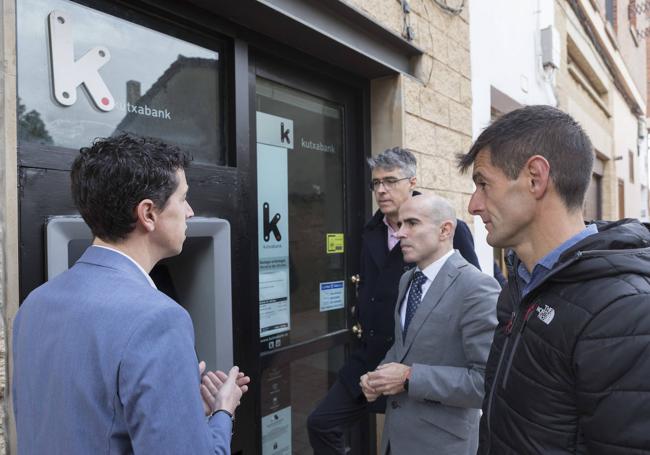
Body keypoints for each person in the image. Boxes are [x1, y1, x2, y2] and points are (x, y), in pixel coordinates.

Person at [12, 134, 249, 454]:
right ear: (148, 213)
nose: (190, 212)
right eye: (183, 198)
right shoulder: (158, 319)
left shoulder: (35, 303)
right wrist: (223, 411)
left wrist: (179, 410)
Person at [457, 105, 650, 454]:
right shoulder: (519, 285)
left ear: (535, 177)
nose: (473, 205)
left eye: (483, 184)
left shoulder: (624, 312)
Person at [308, 147, 481, 454]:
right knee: (321, 423)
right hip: (374, 356)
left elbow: (465, 289)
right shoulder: (371, 230)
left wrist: (417, 373)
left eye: (389, 181)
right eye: (375, 183)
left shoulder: (448, 230)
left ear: (412, 181)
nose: (381, 190)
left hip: (423, 367)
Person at [360, 194, 499, 454]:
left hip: (442, 443)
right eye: (399, 224)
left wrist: (410, 377)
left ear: (445, 230)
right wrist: (378, 376)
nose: (400, 233)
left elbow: (486, 382)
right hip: (396, 437)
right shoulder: (408, 280)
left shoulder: (476, 287)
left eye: (412, 223)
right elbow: (405, 347)